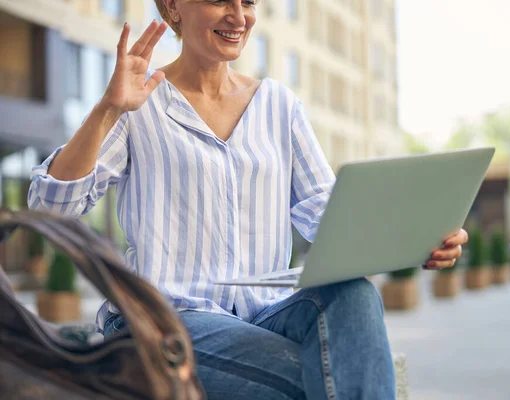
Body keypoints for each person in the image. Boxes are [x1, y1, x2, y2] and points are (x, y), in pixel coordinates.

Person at [28, 1, 468, 398]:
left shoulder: (280, 105)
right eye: (221, 0)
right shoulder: (138, 103)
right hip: (165, 322)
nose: (239, 17)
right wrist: (108, 109)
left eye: (249, 2)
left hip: (264, 312)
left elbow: (329, 215)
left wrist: (418, 239)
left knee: (353, 295)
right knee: (322, 379)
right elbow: (50, 210)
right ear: (172, 7)